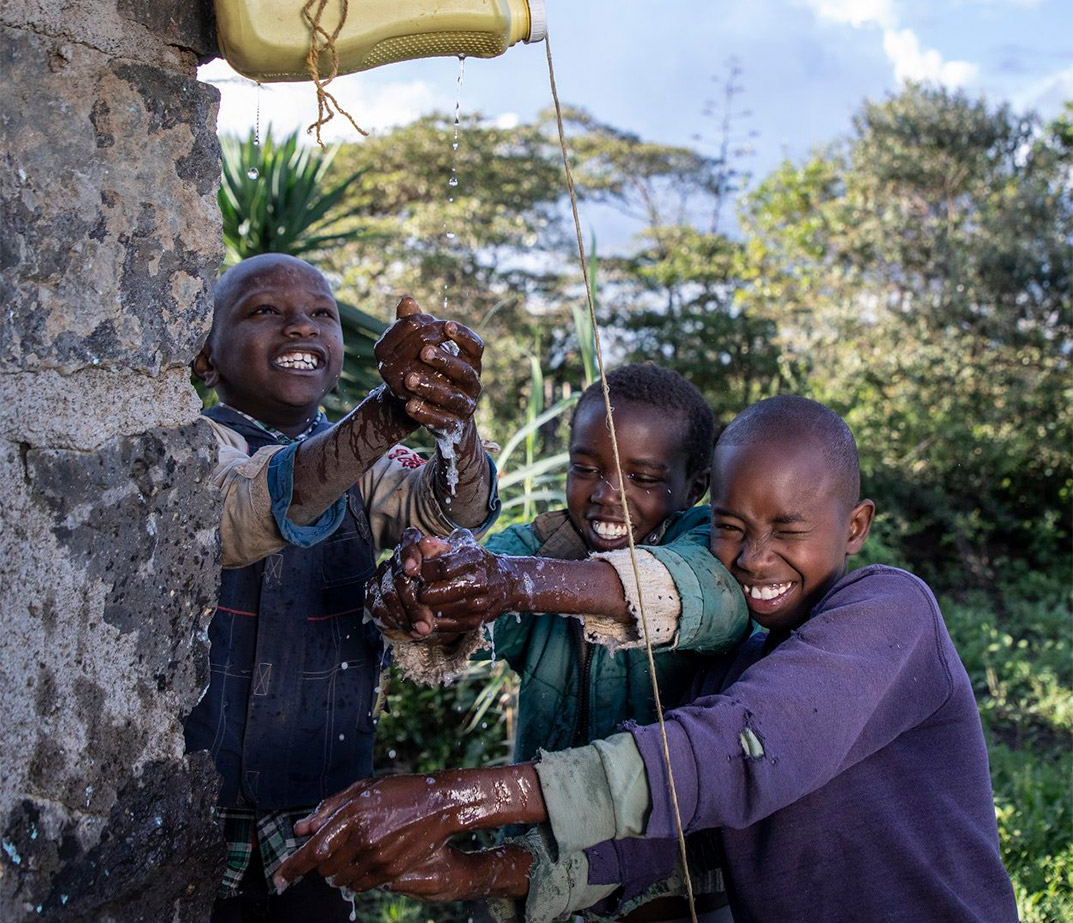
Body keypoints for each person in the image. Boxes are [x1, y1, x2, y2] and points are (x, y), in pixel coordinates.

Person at [274, 395, 1019, 923]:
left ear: (854, 526)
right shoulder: (733, 667)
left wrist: (448, 796)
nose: (754, 556)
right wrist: (466, 871)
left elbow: (730, 753)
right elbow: (654, 841)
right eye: (733, 526)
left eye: (787, 528)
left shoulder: (893, 610)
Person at [183, 253, 500, 922]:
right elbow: (251, 509)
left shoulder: (373, 467)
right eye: (264, 311)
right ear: (206, 356)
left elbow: (453, 510)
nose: (301, 327)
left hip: (318, 813)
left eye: (321, 314)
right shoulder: (186, 445)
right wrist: (388, 411)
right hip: (190, 805)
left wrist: (451, 419)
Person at [376, 365, 749, 775]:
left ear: (695, 488)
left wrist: (514, 583)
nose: (608, 495)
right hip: (537, 835)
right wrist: (428, 586)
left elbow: (700, 590)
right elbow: (471, 606)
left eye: (642, 478)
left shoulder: (707, 538)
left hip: (666, 833)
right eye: (586, 470)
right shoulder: (543, 545)